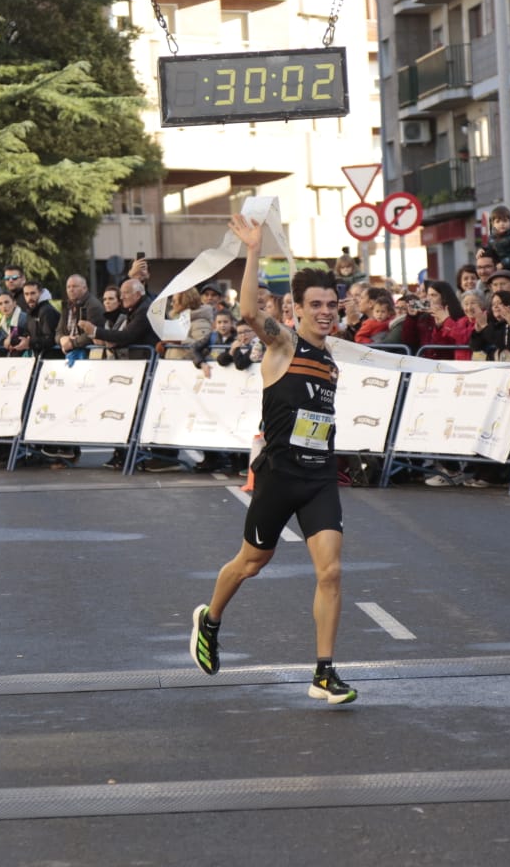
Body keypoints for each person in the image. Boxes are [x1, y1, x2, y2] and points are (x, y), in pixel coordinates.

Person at [190, 213, 356, 706]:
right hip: (279, 477)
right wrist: (254, 251)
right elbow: (245, 311)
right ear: (296, 309)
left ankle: (324, 672)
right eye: (316, 305)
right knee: (251, 563)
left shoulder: (331, 360)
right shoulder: (283, 345)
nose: (326, 312)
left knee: (331, 572)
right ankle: (210, 619)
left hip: (320, 478)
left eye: (331, 305)